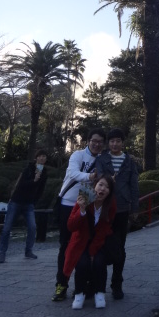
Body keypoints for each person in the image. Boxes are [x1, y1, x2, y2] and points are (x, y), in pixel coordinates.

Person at [51, 128, 106, 302]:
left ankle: (83, 286)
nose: (96, 144)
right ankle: (61, 284)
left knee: (85, 245)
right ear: (88, 141)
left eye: (100, 142)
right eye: (94, 141)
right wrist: (90, 176)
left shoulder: (102, 160)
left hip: (87, 204)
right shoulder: (77, 155)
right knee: (65, 245)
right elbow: (72, 173)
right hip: (68, 203)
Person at [96, 127, 139, 299]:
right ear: (108, 143)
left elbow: (134, 185)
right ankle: (98, 284)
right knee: (100, 245)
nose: (115, 144)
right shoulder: (102, 159)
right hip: (105, 207)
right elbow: (99, 178)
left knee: (120, 247)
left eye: (118, 141)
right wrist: (108, 181)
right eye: (112, 141)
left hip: (122, 208)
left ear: (123, 143)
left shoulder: (129, 161)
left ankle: (117, 284)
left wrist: (135, 208)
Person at [63, 175, 116, 309]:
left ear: (110, 192)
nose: (102, 189)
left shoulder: (111, 204)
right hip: (81, 240)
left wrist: (92, 252)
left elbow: (104, 229)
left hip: (99, 241)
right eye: (100, 185)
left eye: (107, 187)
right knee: (82, 263)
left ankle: (100, 293)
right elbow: (71, 226)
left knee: (99, 262)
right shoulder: (85, 197)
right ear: (95, 186)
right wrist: (81, 210)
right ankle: (79, 294)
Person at [0, 149, 48, 263]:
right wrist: (34, 180)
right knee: (7, 228)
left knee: (32, 227)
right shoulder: (28, 169)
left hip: (29, 203)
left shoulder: (44, 173)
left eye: (44, 156)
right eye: (40, 156)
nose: (42, 158)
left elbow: (41, 189)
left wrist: (34, 201)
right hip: (16, 201)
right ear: (36, 158)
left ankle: (28, 250)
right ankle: (2, 252)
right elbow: (21, 185)